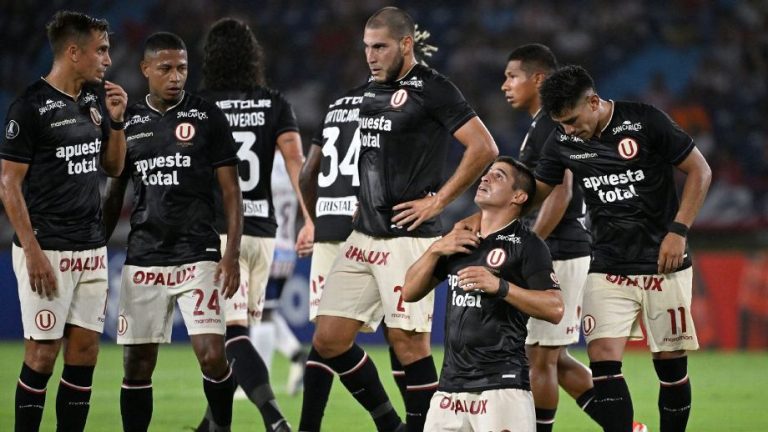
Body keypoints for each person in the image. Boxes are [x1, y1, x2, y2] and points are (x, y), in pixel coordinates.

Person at [306, 7, 498, 432]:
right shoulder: (373, 91)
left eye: (380, 47)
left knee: (409, 345)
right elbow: (376, 156)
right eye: (367, 48)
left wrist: (439, 202)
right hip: (363, 236)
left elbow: (484, 147)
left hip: (408, 239)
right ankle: (390, 423)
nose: (371, 56)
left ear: (406, 45)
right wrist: (365, 197)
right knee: (329, 339)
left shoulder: (434, 88)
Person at [535, 65, 712, 432]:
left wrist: (678, 230)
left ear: (594, 101)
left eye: (571, 120)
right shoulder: (563, 141)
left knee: (670, 365)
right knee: (601, 359)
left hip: (663, 262)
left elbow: (700, 171)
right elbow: (537, 190)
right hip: (606, 264)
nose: (567, 130)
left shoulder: (645, 121)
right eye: (560, 124)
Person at [102, 32, 240, 432]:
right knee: (137, 365)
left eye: (181, 67)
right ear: (145, 69)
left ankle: (221, 428)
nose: (176, 76)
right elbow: (115, 193)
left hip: (198, 254)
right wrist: (96, 245)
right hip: (144, 255)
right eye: (165, 68)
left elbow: (232, 192)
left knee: (213, 355)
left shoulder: (207, 116)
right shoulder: (128, 122)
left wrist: (230, 255)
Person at [0, 11, 126, 431]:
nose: (107, 59)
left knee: (85, 352)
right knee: (41, 354)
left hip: (91, 247)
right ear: (74, 52)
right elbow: (8, 185)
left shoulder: (93, 101)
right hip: (47, 249)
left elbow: (113, 167)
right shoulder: (30, 107)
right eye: (101, 50)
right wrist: (32, 252)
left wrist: (118, 123)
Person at [194, 17, 309, 432]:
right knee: (234, 335)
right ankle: (211, 423)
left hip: (218, 233)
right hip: (263, 234)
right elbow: (298, 165)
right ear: (252, 57)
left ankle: (274, 419)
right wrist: (309, 218)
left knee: (231, 334)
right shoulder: (274, 104)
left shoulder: (199, 104)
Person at [402, 156, 563, 432]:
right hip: (450, 390)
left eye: (498, 176)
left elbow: (555, 308)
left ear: (519, 196)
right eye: (487, 173)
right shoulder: (460, 239)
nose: (485, 178)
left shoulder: (528, 245)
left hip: (502, 387)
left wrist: (500, 287)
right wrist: (436, 249)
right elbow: (409, 292)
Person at [501, 43, 598, 432]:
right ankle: (623, 423)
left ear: (538, 79)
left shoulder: (550, 125)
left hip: (559, 249)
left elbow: (562, 189)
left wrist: (528, 243)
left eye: (512, 76)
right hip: (560, 248)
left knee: (539, 358)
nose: (504, 85)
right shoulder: (540, 124)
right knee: (548, 357)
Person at [296, 83, 365, 431]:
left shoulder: (335, 103)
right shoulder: (392, 101)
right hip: (373, 226)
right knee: (406, 338)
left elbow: (308, 173)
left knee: (325, 338)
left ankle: (308, 427)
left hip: (327, 227)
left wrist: (314, 220)